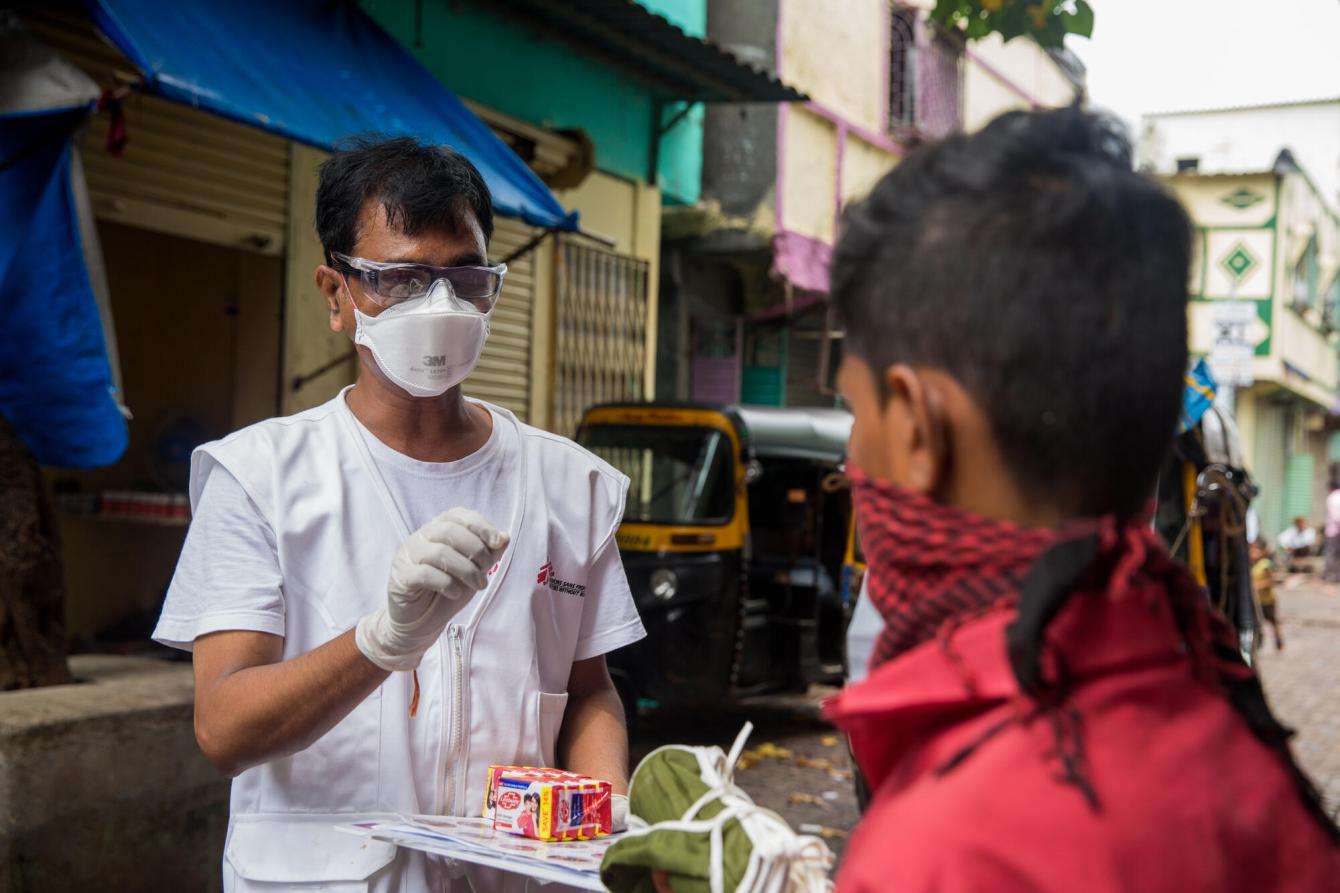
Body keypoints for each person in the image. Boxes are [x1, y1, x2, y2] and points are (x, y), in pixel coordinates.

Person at [825, 105, 1338, 891]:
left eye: (855, 413)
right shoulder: (1222, 716)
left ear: (918, 428)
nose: (852, 456)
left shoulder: (947, 849)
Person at [153, 137, 645, 892]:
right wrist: (381, 641)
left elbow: (588, 690)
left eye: (464, 277)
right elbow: (222, 727)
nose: (439, 306)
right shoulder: (259, 479)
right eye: (401, 279)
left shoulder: (570, 485)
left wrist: (600, 803)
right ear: (336, 293)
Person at [1251, 540, 1283, 650]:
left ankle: (1278, 641)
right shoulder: (1252, 565)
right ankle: (1258, 644)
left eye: (1257, 550)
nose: (1254, 553)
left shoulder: (1265, 564)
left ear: (1263, 552)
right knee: (1258, 623)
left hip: (1268, 600)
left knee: (1272, 622)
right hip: (1257, 601)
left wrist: (1258, 586)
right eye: (1252, 550)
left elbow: (1271, 580)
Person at [1323, 480, 1340, 582]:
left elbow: (1336, 516)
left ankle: (1330, 576)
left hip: (1334, 531)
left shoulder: (1333, 498)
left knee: (1331, 553)